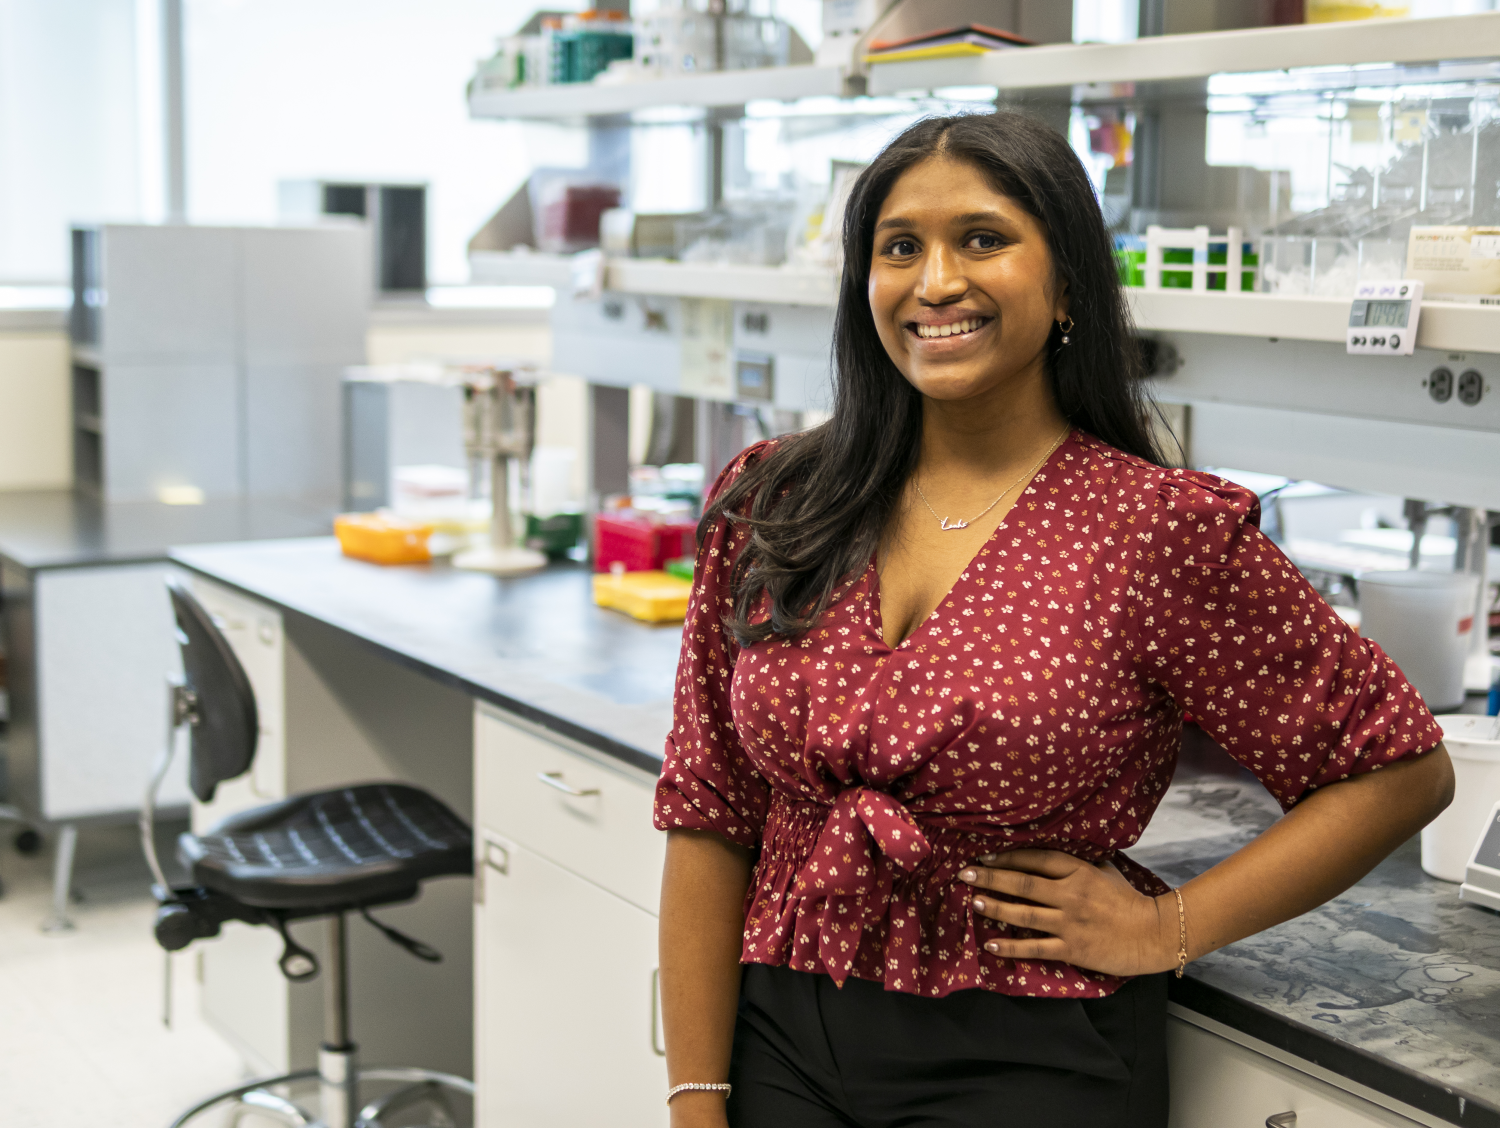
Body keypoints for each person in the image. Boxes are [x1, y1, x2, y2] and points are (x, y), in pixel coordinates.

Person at [653, 112, 1454, 1128]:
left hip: (1029, 1054)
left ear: (1068, 281)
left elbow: (1396, 767)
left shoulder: (1155, 531)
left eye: (983, 239)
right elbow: (709, 810)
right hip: (779, 1037)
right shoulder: (779, 499)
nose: (935, 281)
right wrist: (694, 1095)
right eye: (900, 247)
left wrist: (1169, 928)